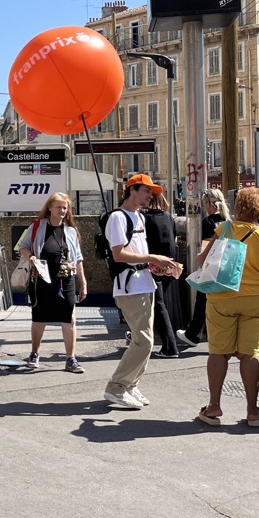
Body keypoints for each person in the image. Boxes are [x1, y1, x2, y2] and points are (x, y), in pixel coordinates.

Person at [198, 186, 259, 428]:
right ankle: (253, 411)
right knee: (250, 355)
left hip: (222, 298)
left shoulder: (224, 229)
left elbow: (201, 261)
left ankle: (214, 407)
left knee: (218, 352)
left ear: (239, 206)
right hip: (257, 301)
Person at [103, 174, 180, 410]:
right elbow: (119, 254)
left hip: (143, 282)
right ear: (132, 190)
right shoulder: (118, 217)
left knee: (143, 340)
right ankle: (117, 387)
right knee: (144, 342)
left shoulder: (137, 216)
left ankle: (130, 385)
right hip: (131, 286)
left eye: (151, 192)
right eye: (147, 191)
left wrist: (153, 265)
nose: (151, 196)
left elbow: (134, 252)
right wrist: (151, 258)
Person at [15, 192, 87, 372]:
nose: (62, 211)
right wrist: (30, 257)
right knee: (40, 318)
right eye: (59, 207)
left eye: (65, 208)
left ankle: (71, 358)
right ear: (50, 208)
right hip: (41, 279)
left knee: (69, 318)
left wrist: (83, 283)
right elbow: (22, 246)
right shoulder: (37, 226)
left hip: (66, 279)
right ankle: (34, 352)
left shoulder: (70, 231)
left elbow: (78, 259)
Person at [143, 192, 195, 357]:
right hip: (168, 266)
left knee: (157, 304)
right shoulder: (168, 217)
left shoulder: (144, 218)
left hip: (151, 265)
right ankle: (143, 334)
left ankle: (169, 346)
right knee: (159, 302)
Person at [184, 188, 230, 344]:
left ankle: (193, 334)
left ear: (211, 203)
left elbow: (205, 246)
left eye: (205, 203)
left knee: (202, 301)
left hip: (210, 267)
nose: (204, 206)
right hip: (225, 268)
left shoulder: (208, 222)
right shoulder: (229, 222)